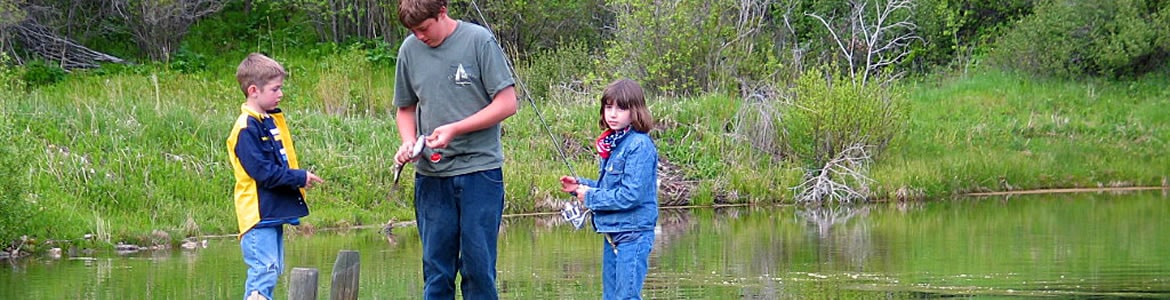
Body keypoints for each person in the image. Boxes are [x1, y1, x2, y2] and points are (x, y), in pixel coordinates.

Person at [392, 0, 518, 299]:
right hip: (431, 176)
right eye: (413, 31)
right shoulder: (409, 50)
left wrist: (456, 128)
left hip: (480, 172)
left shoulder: (479, 41)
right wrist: (409, 142)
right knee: (437, 271)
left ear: (442, 12)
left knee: (478, 269)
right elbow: (405, 108)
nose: (420, 36)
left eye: (424, 28)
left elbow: (507, 103)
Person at [226, 53, 324, 300]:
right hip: (257, 216)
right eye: (275, 89)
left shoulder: (268, 121)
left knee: (272, 269)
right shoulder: (246, 128)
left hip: (271, 214)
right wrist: (298, 177)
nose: (280, 94)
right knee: (264, 270)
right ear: (253, 90)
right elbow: (263, 174)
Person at [559, 79, 659, 300]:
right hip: (614, 234)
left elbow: (630, 195)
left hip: (633, 235)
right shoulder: (614, 143)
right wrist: (580, 187)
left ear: (636, 111)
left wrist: (591, 197)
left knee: (626, 297)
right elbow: (609, 188)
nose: (613, 114)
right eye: (608, 107)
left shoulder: (639, 146)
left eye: (621, 108)